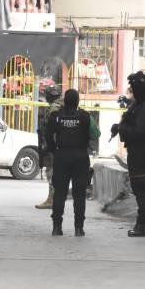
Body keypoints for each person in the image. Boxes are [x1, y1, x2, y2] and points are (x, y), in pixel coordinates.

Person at [44, 89, 100, 237]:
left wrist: (54, 151)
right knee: (79, 194)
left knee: (60, 193)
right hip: (80, 157)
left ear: (65, 101)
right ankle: (79, 228)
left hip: (61, 156)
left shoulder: (56, 116)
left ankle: (56, 228)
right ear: (77, 102)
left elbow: (48, 136)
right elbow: (96, 134)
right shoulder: (85, 116)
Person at [112, 71, 145, 237]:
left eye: (134, 88)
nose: (132, 90)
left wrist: (121, 128)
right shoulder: (143, 105)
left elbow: (138, 131)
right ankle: (143, 224)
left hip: (141, 153)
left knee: (141, 189)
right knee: (142, 188)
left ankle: (144, 225)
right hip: (140, 152)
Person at [35, 85, 64, 209]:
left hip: (55, 146)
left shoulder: (54, 108)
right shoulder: (66, 105)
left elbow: (51, 129)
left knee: (51, 172)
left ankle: (52, 199)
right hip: (65, 146)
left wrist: (48, 146)